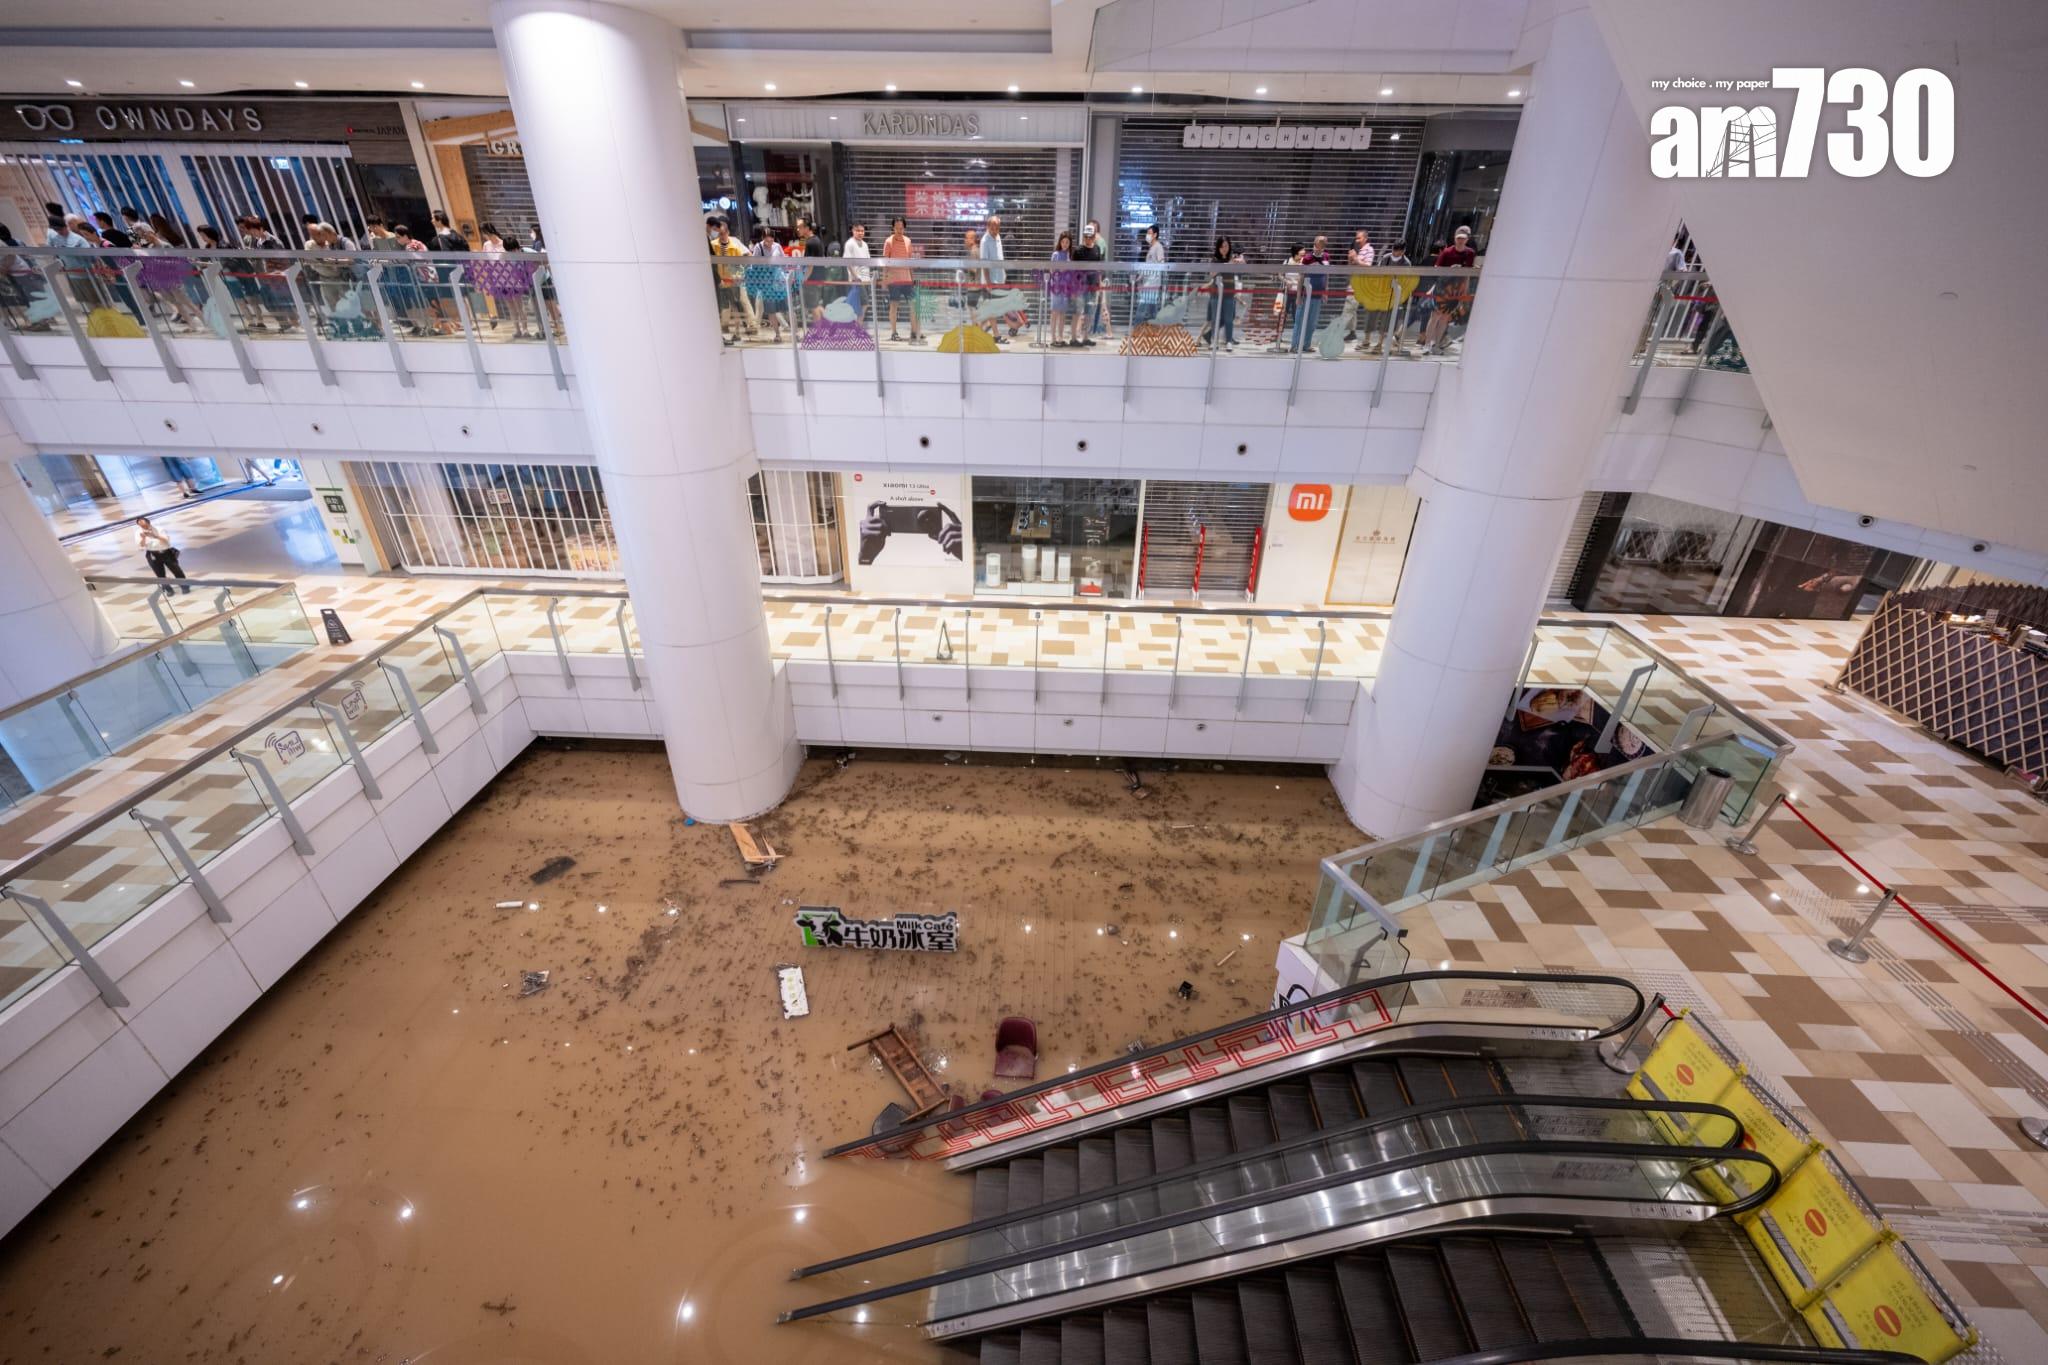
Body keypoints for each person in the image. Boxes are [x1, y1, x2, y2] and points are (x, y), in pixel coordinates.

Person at [1422, 224, 1477, 353]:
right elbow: (1437, 269)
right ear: (1455, 238)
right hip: (1443, 287)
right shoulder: (1447, 252)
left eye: (1463, 238)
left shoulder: (1470, 253)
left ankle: (1436, 345)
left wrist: (1465, 290)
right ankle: (1427, 344)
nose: (1460, 241)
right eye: (1459, 238)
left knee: (1445, 317)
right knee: (1435, 315)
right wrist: (1450, 270)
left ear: (1467, 239)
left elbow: (1468, 273)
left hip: (1456, 289)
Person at [978, 214, 1024, 342]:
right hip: (991, 281)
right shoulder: (985, 241)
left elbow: (1000, 257)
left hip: (999, 279)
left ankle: (979, 330)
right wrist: (988, 283)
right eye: (993, 226)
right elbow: (984, 264)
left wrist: (1003, 275)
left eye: (997, 226)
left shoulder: (997, 237)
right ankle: (996, 335)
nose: (995, 229)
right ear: (988, 226)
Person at [706, 216, 752, 342]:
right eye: (719, 233)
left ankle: (748, 326)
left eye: (722, 233)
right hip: (721, 279)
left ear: (727, 232)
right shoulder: (713, 244)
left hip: (734, 277)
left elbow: (748, 255)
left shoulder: (734, 242)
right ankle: (725, 328)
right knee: (726, 306)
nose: (720, 235)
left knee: (739, 302)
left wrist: (740, 272)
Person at [745, 223, 790, 342]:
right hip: (766, 283)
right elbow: (754, 265)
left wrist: (786, 275)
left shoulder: (777, 246)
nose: (769, 243)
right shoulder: (758, 248)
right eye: (767, 240)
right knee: (771, 310)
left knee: (786, 307)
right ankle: (777, 334)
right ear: (763, 238)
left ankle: (792, 331)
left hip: (778, 281)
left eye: (771, 240)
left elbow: (784, 260)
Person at [882, 216, 922, 344]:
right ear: (893, 227)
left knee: (914, 305)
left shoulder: (908, 241)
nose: (899, 230)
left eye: (901, 227)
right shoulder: (888, 242)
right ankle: (894, 333)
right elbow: (885, 263)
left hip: (907, 280)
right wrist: (884, 280)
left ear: (904, 227)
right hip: (894, 280)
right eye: (897, 227)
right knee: (894, 306)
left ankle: (915, 332)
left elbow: (909, 261)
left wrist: (912, 278)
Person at [1292, 235, 1332, 352]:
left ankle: (1306, 344)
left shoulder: (1326, 257)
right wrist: (1298, 296)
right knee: (1299, 321)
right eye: (1316, 245)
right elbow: (1301, 278)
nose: (1317, 248)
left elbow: (1327, 275)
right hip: (1306, 295)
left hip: (1317, 296)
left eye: (1320, 246)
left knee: (1312, 322)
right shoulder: (1307, 258)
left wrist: (1326, 292)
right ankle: (1295, 345)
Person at [1070, 220, 1106, 346]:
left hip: (1092, 286)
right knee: (1077, 312)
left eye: (1090, 237)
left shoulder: (1097, 249)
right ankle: (1073, 338)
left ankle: (1085, 337)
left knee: (1089, 312)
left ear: (1094, 236)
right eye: (1086, 237)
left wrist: (1099, 283)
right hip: (1080, 286)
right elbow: (1073, 271)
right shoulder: (1078, 250)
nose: (1088, 239)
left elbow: (1098, 268)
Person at [1202, 235, 1243, 349]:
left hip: (1229, 292)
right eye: (1222, 246)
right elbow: (1212, 273)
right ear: (1218, 248)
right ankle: (1213, 340)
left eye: (1226, 246)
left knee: (1229, 318)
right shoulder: (1215, 259)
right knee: (1216, 317)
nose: (1224, 248)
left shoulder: (1233, 257)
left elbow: (1243, 265)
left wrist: (1239, 260)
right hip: (1216, 292)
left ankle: (1229, 341)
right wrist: (1227, 264)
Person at [137, 517, 189, 592]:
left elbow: (166, 540)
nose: (143, 527)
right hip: (152, 554)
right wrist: (143, 538)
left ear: (148, 523)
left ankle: (184, 587)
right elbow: (141, 545)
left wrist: (154, 536)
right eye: (141, 526)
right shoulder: (138, 533)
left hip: (165, 552)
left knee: (176, 570)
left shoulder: (159, 529)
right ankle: (168, 589)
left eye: (144, 525)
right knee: (160, 574)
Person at [1341, 229, 1375, 341]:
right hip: (1353, 283)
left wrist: (1356, 259)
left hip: (1359, 285)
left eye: (1359, 238)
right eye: (1356, 238)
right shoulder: (1358, 250)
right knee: (1352, 309)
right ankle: (1352, 332)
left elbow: (1368, 266)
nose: (1357, 240)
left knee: (1348, 308)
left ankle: (1338, 331)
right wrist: (1351, 259)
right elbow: (1352, 267)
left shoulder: (1369, 250)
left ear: (1365, 238)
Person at [1046, 230, 1077, 347]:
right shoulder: (1055, 254)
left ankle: (1060, 336)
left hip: (1066, 288)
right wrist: (1060, 270)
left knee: (1063, 314)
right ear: (1060, 242)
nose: (1065, 244)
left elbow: (1073, 272)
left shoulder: (1070, 256)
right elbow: (1051, 270)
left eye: (1067, 242)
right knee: (1054, 312)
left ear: (1070, 243)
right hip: (1056, 287)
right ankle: (1052, 337)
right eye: (1063, 242)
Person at [1131, 224, 1166, 327]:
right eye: (1147, 233)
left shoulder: (1158, 247)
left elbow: (1162, 263)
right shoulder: (1151, 248)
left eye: (1149, 233)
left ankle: (1135, 329)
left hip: (1152, 284)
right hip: (1148, 283)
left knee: (1142, 307)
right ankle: (1155, 329)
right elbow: (1147, 266)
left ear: (1155, 234)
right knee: (1152, 309)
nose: (1147, 235)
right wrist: (1139, 278)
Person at [841, 221, 872, 321]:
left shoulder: (865, 244)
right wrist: (855, 277)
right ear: (853, 231)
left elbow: (868, 262)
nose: (860, 233)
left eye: (862, 231)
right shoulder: (850, 244)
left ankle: (856, 328)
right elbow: (847, 262)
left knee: (861, 305)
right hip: (857, 280)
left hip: (866, 279)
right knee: (864, 303)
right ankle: (857, 328)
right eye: (858, 230)